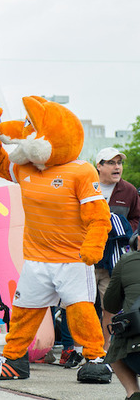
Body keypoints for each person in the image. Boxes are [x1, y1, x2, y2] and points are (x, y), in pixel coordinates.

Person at [96, 147, 140, 349]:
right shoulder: (87, 186)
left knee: (110, 307)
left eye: (119, 163)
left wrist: (122, 231)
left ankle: (106, 349)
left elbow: (136, 219)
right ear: (99, 166)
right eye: (112, 163)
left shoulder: (129, 190)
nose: (117, 167)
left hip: (114, 261)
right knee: (80, 305)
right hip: (86, 257)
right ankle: (78, 349)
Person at [103, 235, 140, 400]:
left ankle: (133, 392)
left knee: (114, 347)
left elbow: (111, 305)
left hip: (135, 352)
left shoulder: (126, 261)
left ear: (138, 239)